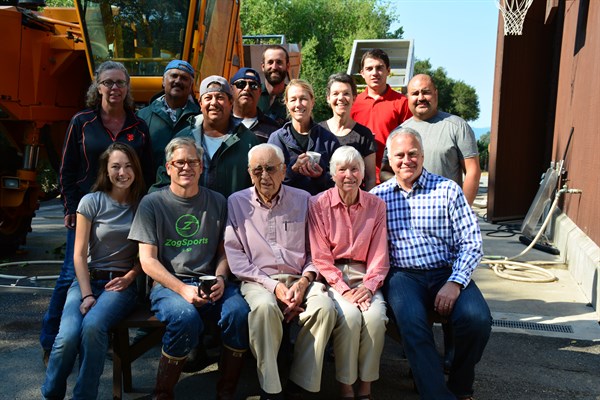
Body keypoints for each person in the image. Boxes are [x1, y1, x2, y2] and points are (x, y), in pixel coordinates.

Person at [40, 61, 153, 364]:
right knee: (69, 277)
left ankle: (102, 334)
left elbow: (148, 171)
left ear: (127, 88)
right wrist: (69, 207)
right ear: (97, 87)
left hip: (125, 212)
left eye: (119, 82)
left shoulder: (138, 126)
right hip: (87, 211)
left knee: (124, 274)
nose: (114, 88)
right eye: (107, 82)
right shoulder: (82, 122)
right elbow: (66, 169)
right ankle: (52, 342)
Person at [370, 127, 492, 400]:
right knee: (412, 323)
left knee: (477, 320)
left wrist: (455, 282)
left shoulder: (448, 190)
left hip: (446, 271)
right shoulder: (378, 197)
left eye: (413, 154)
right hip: (403, 276)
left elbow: (471, 242)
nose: (406, 160)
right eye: (399, 155)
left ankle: (460, 386)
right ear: (389, 159)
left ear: (423, 156)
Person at [128, 137, 249, 400]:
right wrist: (182, 288)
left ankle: (226, 392)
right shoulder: (152, 203)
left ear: (202, 166)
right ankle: (163, 393)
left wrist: (220, 278)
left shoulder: (218, 201)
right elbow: (147, 261)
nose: (187, 167)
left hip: (210, 281)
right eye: (179, 162)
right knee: (185, 317)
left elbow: (224, 251)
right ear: (168, 167)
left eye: (193, 161)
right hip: (169, 285)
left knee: (239, 313)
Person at [224, 143, 336, 399]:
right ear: (249, 173)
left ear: (284, 170)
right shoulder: (237, 202)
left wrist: (305, 282)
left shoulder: (303, 199)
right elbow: (237, 258)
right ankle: (271, 389)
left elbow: (316, 250)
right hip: (258, 279)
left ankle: (303, 382)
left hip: (301, 277)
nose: (264, 176)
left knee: (324, 308)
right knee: (264, 310)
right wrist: (274, 287)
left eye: (271, 169)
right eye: (257, 170)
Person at [41, 142, 145, 400]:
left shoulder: (144, 205)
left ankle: (84, 396)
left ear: (136, 170)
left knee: (93, 326)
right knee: (66, 337)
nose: (123, 172)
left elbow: (147, 256)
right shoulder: (91, 202)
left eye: (128, 166)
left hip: (121, 284)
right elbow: (77, 255)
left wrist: (129, 277)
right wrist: (87, 294)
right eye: (116, 166)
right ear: (106, 171)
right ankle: (50, 394)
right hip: (86, 280)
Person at [308, 146, 389, 399]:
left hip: (366, 275)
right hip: (333, 276)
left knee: (376, 318)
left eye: (354, 169)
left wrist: (369, 287)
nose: (348, 175)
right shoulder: (318, 203)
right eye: (342, 169)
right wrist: (344, 290)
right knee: (350, 318)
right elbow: (320, 257)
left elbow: (380, 254)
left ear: (363, 173)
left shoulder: (376, 205)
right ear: (333, 174)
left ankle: (366, 385)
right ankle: (346, 385)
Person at [380, 74, 481, 205]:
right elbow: (385, 172)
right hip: (407, 211)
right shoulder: (398, 133)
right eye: (415, 93)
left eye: (426, 92)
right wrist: (404, 184)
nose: (421, 98)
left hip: (446, 210)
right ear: (407, 98)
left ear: (435, 94)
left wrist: (462, 208)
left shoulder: (457, 127)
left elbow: (472, 171)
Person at [153, 75, 259, 198]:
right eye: (208, 98)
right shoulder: (183, 139)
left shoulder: (249, 141)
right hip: (190, 215)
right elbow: (164, 182)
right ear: (200, 104)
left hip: (234, 215)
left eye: (220, 97)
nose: (214, 103)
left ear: (231, 102)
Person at [268, 79, 340, 195]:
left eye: (303, 99)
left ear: (312, 102)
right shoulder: (276, 139)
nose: (298, 104)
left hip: (320, 209)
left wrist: (321, 176)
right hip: (286, 209)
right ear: (286, 103)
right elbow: (269, 180)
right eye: (293, 100)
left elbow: (340, 182)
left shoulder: (328, 140)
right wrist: (292, 172)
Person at [350, 48, 412, 184]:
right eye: (369, 68)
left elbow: (410, 141)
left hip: (391, 179)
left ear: (388, 71)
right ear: (362, 73)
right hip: (358, 179)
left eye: (379, 68)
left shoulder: (402, 103)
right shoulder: (353, 103)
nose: (374, 73)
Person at [137, 59, 200, 170]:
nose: (178, 81)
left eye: (184, 78)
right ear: (163, 81)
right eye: (174, 76)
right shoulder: (142, 117)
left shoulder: (200, 118)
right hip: (150, 186)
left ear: (191, 86)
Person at [319, 73, 377, 190]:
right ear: (328, 98)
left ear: (354, 98)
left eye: (346, 93)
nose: (341, 98)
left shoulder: (364, 135)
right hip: (322, 202)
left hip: (354, 202)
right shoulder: (318, 131)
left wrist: (368, 203)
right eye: (335, 94)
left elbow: (370, 178)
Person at [230, 67, 280, 143]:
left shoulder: (273, 129)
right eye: (241, 84)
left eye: (253, 85)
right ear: (231, 89)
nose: (247, 88)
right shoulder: (221, 123)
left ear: (260, 91)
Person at [258, 45, 290, 126]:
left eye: (279, 62)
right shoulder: (252, 95)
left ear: (287, 66)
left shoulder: (293, 98)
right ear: (263, 66)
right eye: (270, 62)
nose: (274, 67)